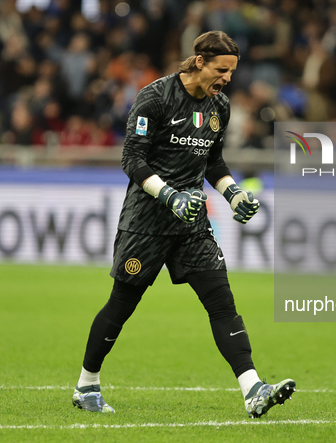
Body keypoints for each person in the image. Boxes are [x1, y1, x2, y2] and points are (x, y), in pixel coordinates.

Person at [72, 31, 295, 418]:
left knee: (222, 302)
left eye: (231, 72)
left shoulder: (218, 107)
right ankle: (86, 385)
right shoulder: (155, 98)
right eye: (221, 70)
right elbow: (132, 158)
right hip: (146, 222)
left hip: (191, 223)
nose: (226, 79)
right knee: (122, 305)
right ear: (198, 62)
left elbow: (213, 162)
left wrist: (233, 194)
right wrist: (170, 195)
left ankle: (252, 388)